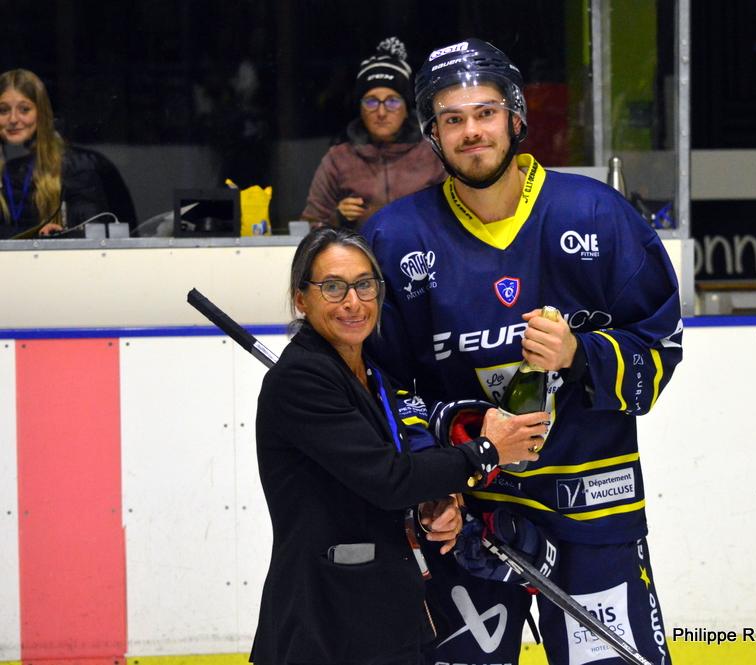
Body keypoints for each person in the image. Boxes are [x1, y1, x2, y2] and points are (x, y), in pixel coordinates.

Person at [362, 40, 684, 665]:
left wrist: (581, 354)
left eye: (484, 113)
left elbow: (661, 346)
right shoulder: (394, 239)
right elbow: (382, 383)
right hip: (463, 518)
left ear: (514, 117)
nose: (471, 131)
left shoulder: (598, 214)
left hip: (592, 509)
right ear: (432, 134)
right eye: (452, 119)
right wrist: (431, 486)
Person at [250, 227, 548, 665]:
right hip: (324, 625)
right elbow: (389, 480)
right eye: (332, 287)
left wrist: (430, 504)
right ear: (301, 299)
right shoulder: (301, 380)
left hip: (383, 620)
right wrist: (487, 451)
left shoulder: (370, 375)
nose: (353, 302)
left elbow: (388, 477)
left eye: (364, 285)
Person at [301, 37, 446, 230]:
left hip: (422, 248)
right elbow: (310, 225)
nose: (381, 112)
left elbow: (459, 215)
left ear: (406, 108)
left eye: (392, 101)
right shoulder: (338, 159)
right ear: (360, 109)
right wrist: (337, 218)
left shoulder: (432, 154)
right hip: (359, 249)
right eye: (371, 101)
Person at [0, 69, 109, 238]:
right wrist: (35, 235)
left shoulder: (73, 166)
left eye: (24, 109)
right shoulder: (6, 167)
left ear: (41, 113)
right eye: (3, 111)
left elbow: (93, 233)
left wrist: (60, 234)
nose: (13, 119)